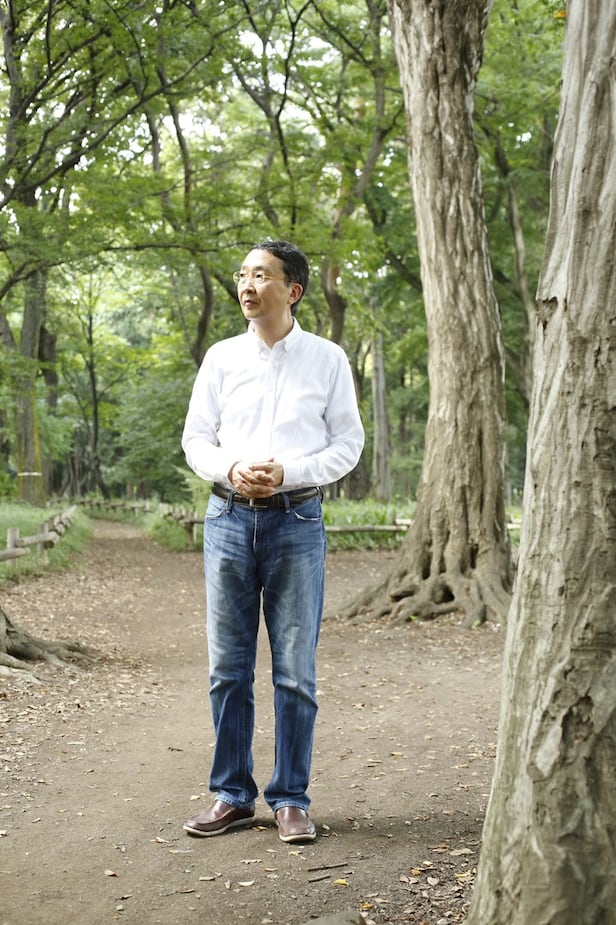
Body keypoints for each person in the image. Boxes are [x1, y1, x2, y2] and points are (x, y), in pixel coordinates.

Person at [181, 239, 364, 843]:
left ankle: (290, 798)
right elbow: (196, 439)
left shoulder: (328, 359)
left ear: (293, 290)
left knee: (295, 672)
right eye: (242, 274)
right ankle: (232, 795)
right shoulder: (221, 358)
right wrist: (232, 468)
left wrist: (289, 472)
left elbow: (348, 444)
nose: (247, 284)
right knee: (227, 670)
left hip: (297, 522)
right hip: (227, 520)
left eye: (261, 275)